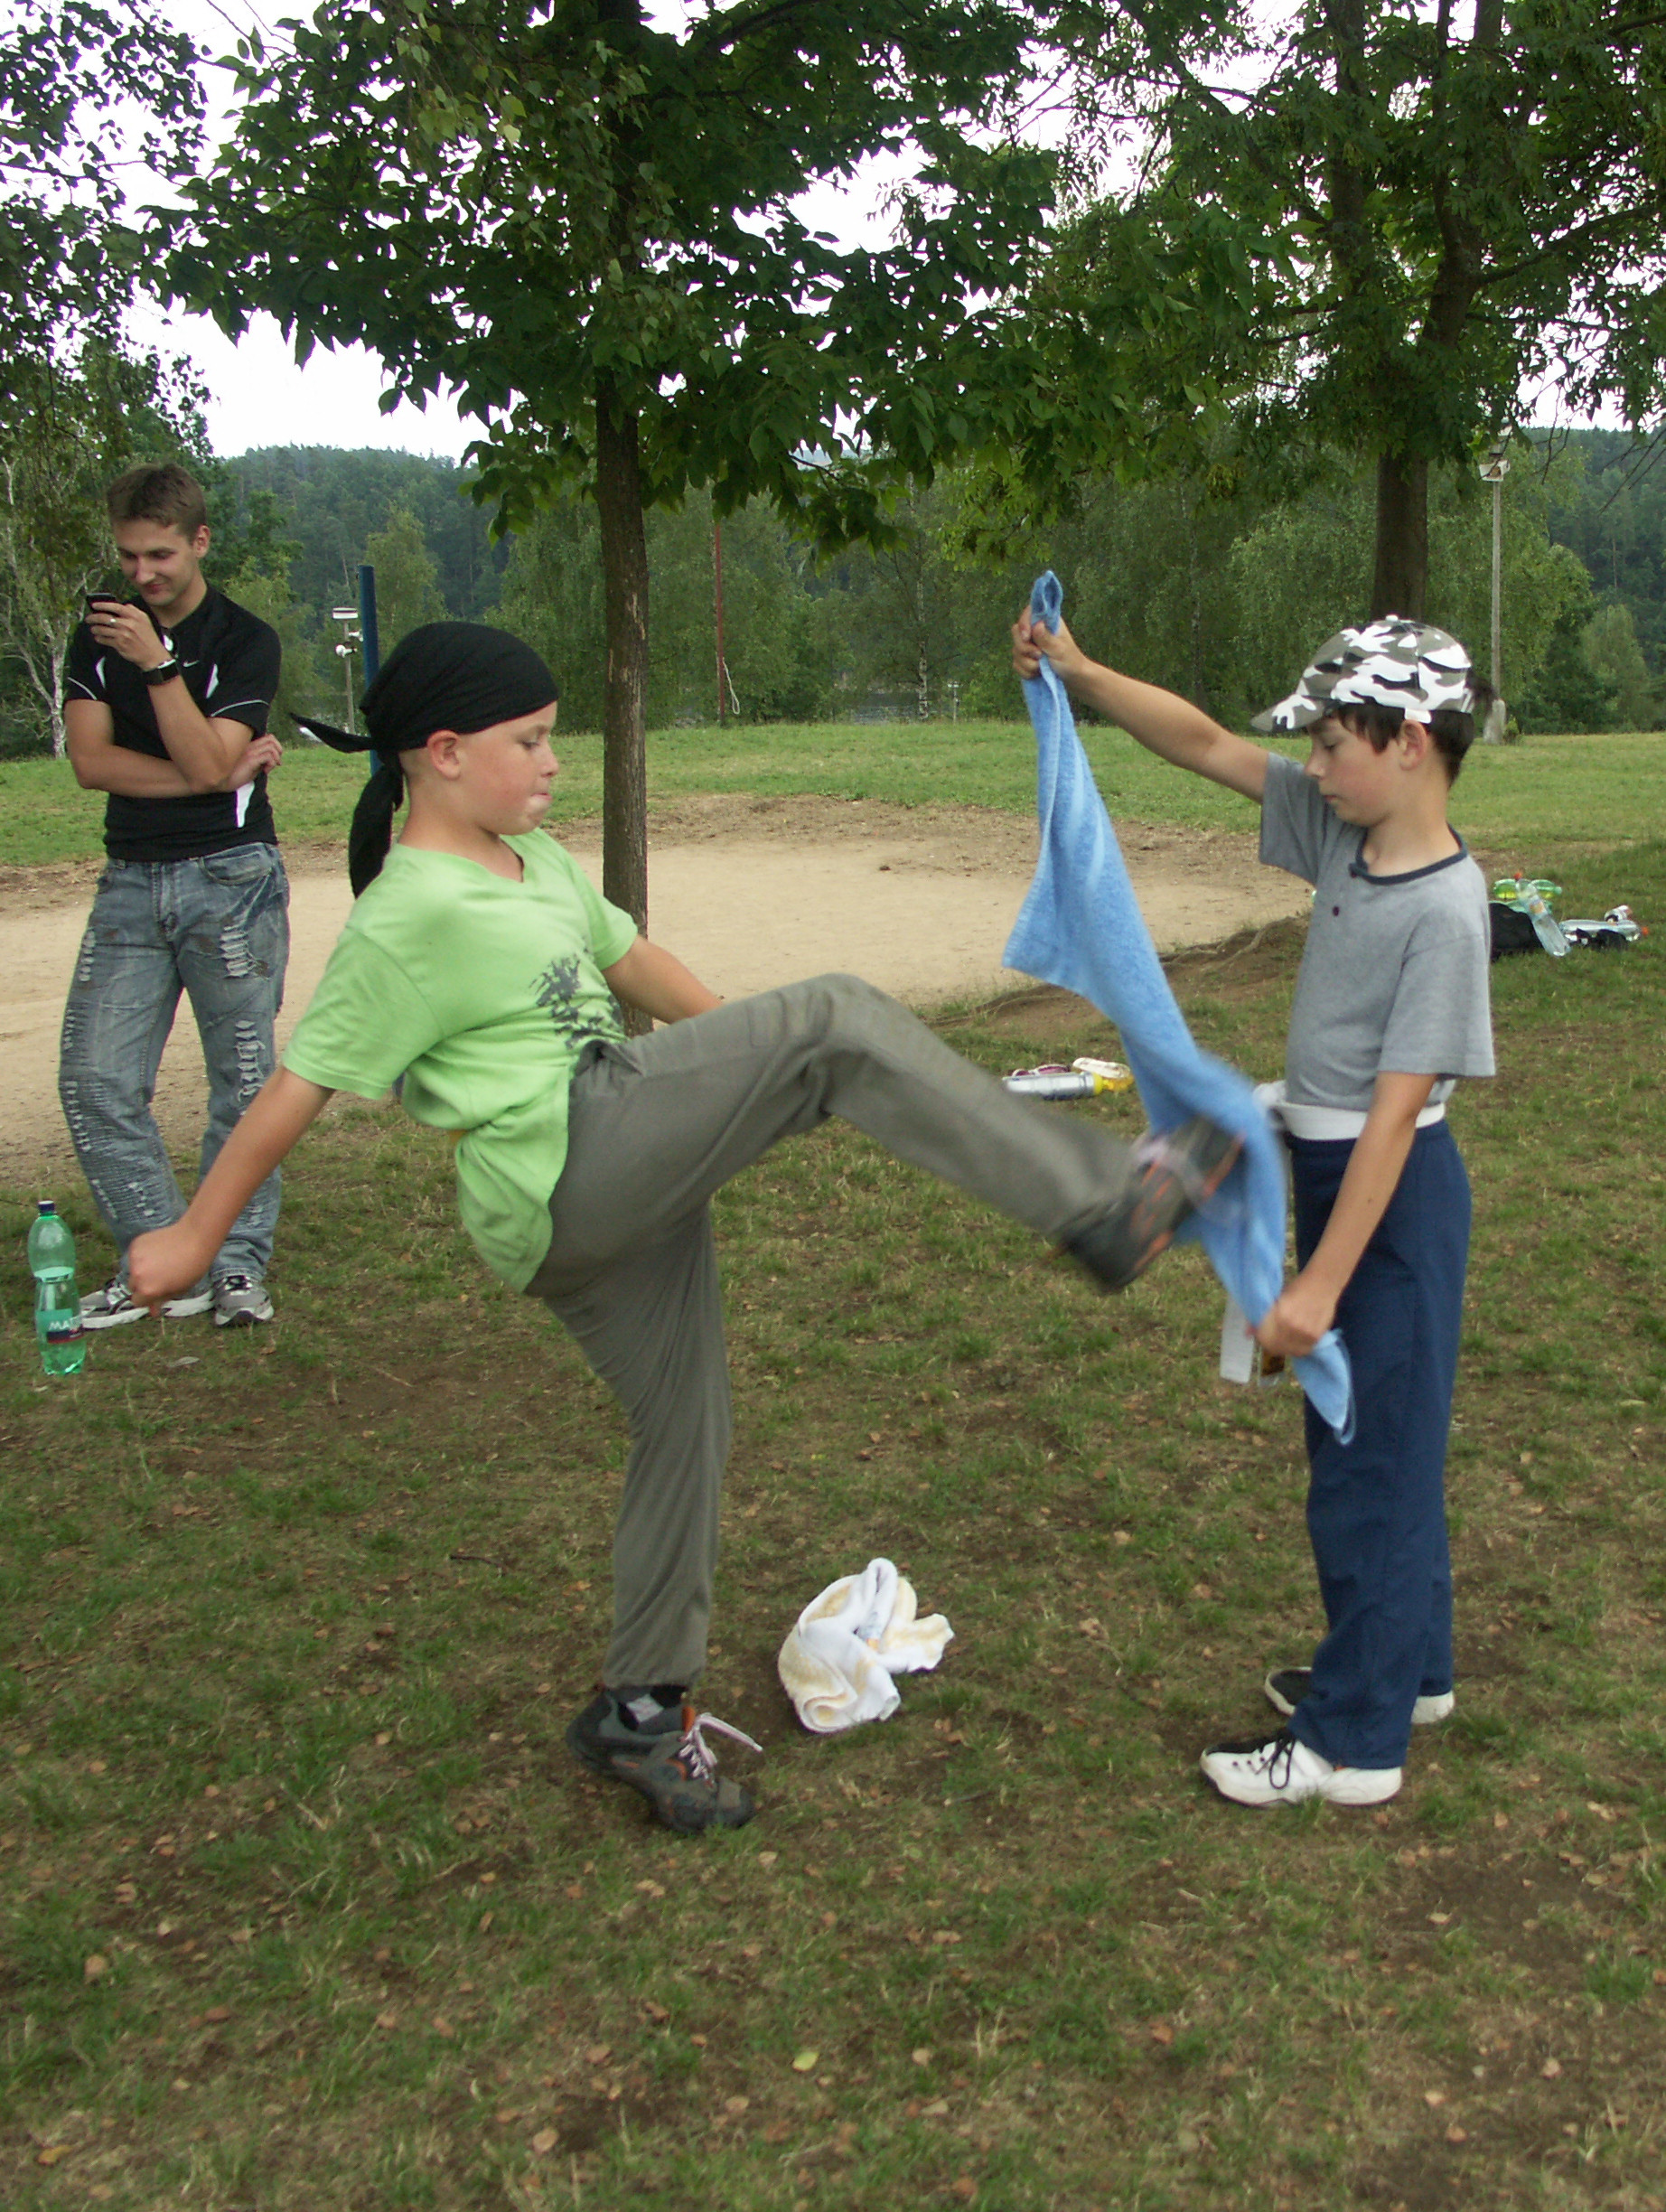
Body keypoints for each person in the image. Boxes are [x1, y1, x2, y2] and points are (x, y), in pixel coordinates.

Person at [126, 620, 1240, 1834]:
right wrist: (196, 1240)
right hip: (564, 1164)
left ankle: (641, 1709)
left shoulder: (528, 860)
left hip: (600, 1185)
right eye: (528, 741)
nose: (552, 761)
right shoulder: (408, 913)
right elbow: (296, 1088)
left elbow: (641, 968)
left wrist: (745, 1076)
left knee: (685, 1428)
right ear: (442, 753)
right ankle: (1102, 1206)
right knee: (832, 1017)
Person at [1013, 609, 1495, 1809]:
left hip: (1389, 1206)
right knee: (1385, 1449)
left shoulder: (1446, 910)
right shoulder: (1348, 834)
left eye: (1333, 744)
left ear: (1410, 744)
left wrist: (1318, 1286)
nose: (1310, 766)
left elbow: (1394, 1119)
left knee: (1368, 1470)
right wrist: (1079, 672)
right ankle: (1408, 1675)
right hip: (1336, 1182)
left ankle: (1351, 1745)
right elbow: (1207, 745)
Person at [61, 463, 287, 1330]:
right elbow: (92, 764)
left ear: (199, 541)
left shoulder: (243, 638)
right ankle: (163, 1262)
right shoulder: (97, 636)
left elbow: (203, 759)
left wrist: (158, 666)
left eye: (159, 555)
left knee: (245, 1085)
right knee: (95, 1080)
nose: (142, 574)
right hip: (129, 878)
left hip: (231, 878)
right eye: (128, 556)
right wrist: (214, 771)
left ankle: (235, 1267)